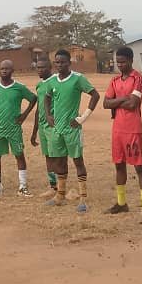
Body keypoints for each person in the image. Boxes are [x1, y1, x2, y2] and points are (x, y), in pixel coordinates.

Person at [43, 49, 100, 211]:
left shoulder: (78, 79)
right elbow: (47, 97)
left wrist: (82, 118)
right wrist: (48, 115)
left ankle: (83, 198)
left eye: (62, 62)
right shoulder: (52, 81)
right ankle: (60, 195)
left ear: (69, 63)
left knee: (77, 161)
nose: (59, 65)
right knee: (59, 161)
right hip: (57, 129)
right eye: (57, 62)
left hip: (72, 129)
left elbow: (95, 95)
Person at [103, 47, 142, 223]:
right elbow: (105, 104)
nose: (120, 65)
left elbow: (133, 104)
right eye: (118, 62)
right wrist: (124, 99)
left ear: (131, 61)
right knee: (119, 165)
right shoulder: (115, 80)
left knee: (139, 167)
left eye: (123, 62)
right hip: (117, 129)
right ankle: (121, 203)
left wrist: (116, 101)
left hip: (132, 128)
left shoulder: (138, 78)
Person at [0, 60, 38, 196]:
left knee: (19, 156)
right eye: (2, 68)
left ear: (12, 71)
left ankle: (22, 187)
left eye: (7, 69)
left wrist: (24, 114)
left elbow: (33, 98)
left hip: (14, 128)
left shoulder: (19, 88)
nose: (4, 71)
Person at [30, 56, 60, 199]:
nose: (39, 70)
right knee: (48, 156)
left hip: (53, 125)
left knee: (57, 156)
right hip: (42, 126)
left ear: (50, 68)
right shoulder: (39, 85)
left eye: (42, 67)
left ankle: (62, 186)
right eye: (37, 67)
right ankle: (53, 186)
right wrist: (34, 131)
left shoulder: (56, 82)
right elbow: (38, 109)